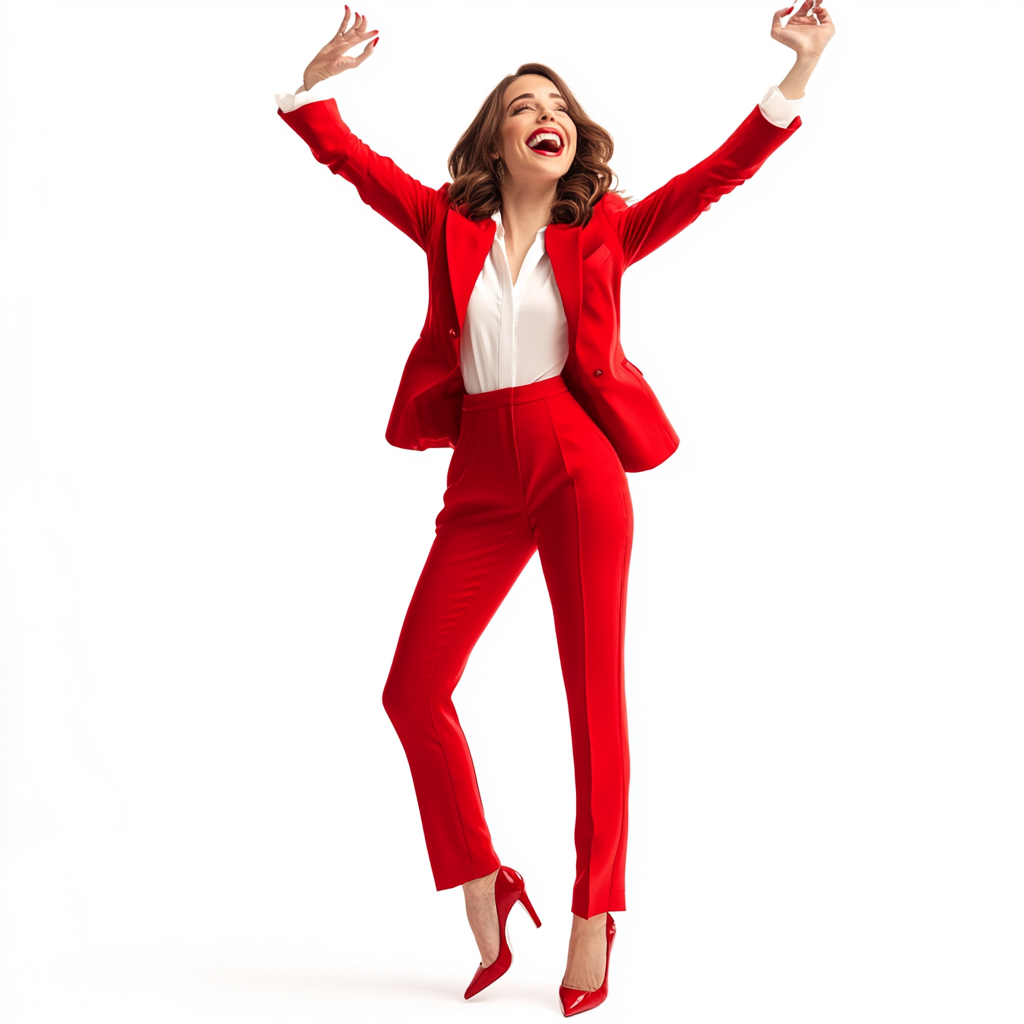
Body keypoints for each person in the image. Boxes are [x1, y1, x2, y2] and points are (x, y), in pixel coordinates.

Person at [274, 4, 835, 1014]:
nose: (547, 114)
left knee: (591, 696)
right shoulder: (446, 221)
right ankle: (483, 873)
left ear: (572, 137)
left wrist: (795, 75)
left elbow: (714, 179)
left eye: (558, 105)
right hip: (480, 479)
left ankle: (593, 909)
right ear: (496, 139)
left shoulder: (606, 227)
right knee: (413, 690)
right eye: (524, 105)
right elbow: (351, 164)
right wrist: (315, 84)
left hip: (577, 467)